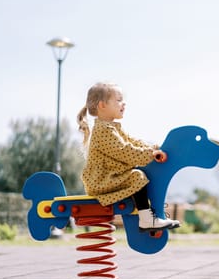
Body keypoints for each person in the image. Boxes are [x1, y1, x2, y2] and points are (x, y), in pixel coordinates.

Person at [77, 82, 180, 231]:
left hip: (111, 177)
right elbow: (125, 151)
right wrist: (151, 154)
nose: (123, 103)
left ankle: (149, 214)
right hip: (102, 181)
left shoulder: (112, 127)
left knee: (138, 173)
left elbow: (133, 141)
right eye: (118, 100)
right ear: (102, 105)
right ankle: (146, 219)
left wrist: (154, 148)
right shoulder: (103, 131)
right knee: (137, 176)